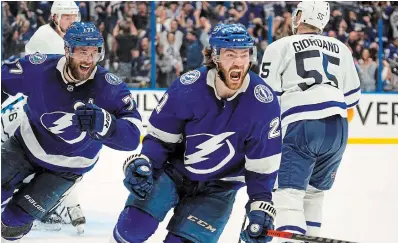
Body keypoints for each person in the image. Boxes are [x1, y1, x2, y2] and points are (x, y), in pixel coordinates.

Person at [110, 23, 281, 243]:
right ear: (214, 57)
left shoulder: (263, 103)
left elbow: (262, 167)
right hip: (173, 173)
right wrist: (146, 167)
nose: (239, 61)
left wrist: (261, 207)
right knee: (131, 229)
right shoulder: (187, 88)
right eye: (230, 55)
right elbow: (160, 141)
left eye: (244, 54)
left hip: (220, 188)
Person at [1, 22, 142, 242]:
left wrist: (106, 125)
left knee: (12, 225)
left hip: (67, 168)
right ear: (67, 51)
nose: (88, 59)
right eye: (82, 52)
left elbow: (133, 136)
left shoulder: (110, 87)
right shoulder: (40, 68)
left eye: (94, 53)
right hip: (26, 145)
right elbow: (3, 80)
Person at [259, 1, 361, 242]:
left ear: (301, 16)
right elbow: (352, 98)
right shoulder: (342, 49)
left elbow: (266, 97)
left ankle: (290, 237)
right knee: (315, 194)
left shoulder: (279, 46)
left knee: (288, 194)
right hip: (338, 127)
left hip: (302, 122)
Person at [1, 1, 87, 233]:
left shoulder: (75, 40)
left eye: (74, 17)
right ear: (54, 18)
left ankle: (53, 202)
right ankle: (51, 205)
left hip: (48, 105)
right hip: (32, 105)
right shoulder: (45, 37)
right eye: (66, 17)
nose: (71, 22)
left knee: (68, 152)